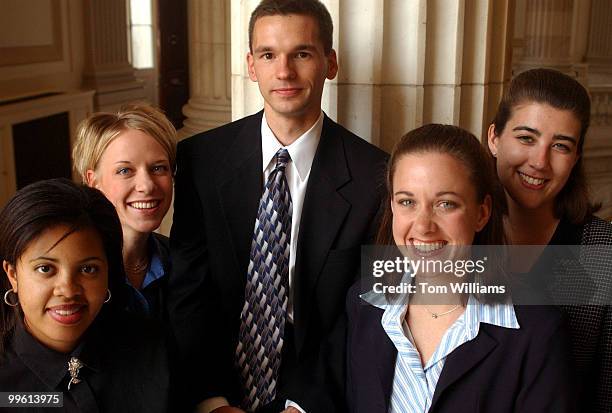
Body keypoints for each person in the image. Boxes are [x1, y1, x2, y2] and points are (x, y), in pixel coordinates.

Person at [168, 0, 387, 412]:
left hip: (316, 390)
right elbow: (188, 293)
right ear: (252, 65)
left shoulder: (375, 175)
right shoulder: (201, 160)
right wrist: (210, 400)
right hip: (215, 380)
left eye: (301, 54)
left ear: (330, 63)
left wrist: (305, 404)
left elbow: (363, 312)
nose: (283, 72)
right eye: (269, 55)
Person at [346, 124, 574, 412]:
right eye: (407, 202)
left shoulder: (538, 333)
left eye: (446, 204)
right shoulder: (363, 303)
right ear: (392, 207)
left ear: (482, 213)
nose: (423, 226)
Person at [486, 68, 612, 411]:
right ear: (494, 138)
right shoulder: (458, 236)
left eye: (560, 146)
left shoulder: (602, 253)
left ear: (576, 158)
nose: (540, 162)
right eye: (526, 138)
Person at [0, 178, 169, 412]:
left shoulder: (153, 350)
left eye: (88, 269)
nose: (68, 290)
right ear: (13, 275)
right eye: (45, 269)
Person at [72, 103, 177, 320]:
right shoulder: (73, 269)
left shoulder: (180, 260)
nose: (147, 185)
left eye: (158, 168)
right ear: (93, 181)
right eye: (125, 170)